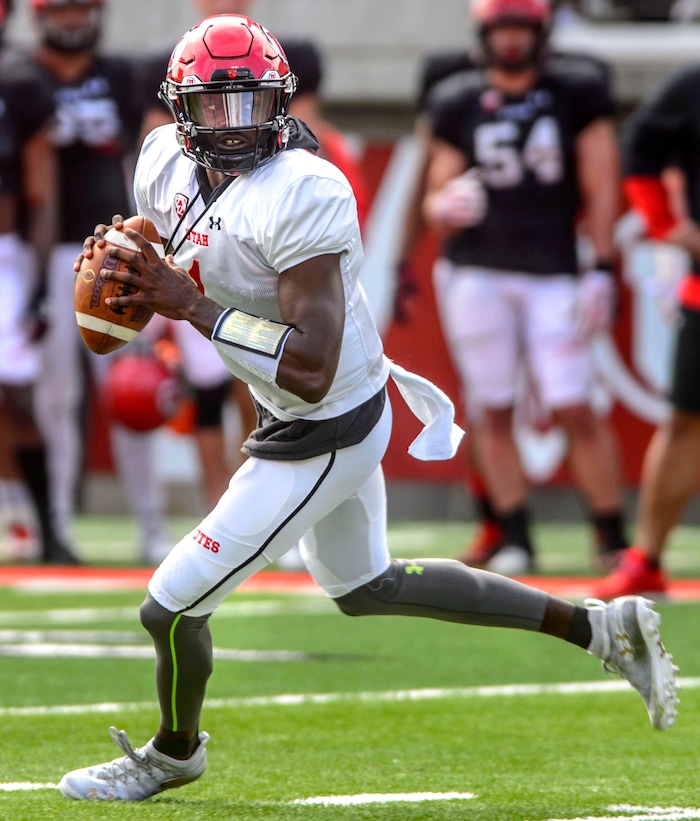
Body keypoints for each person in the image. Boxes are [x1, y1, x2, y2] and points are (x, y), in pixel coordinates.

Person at [55, 15, 679, 802]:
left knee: (170, 608)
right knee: (366, 586)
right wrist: (131, 263)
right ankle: (598, 626)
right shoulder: (161, 165)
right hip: (288, 407)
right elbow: (168, 241)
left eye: (252, 103)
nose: (235, 124)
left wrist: (192, 306)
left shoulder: (304, 189)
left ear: (280, 100)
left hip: (327, 423)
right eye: (216, 107)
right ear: (179, 112)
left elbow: (311, 367)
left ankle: (173, 752)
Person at [422, 0, 629, 575]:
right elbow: (433, 199)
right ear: (484, 33)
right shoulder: (455, 97)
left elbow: (602, 180)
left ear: (540, 32)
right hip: (477, 271)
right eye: (502, 28)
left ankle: (611, 534)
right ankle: (513, 531)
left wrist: (603, 265)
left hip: (553, 270)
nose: (511, 41)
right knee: (491, 407)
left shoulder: (577, 89)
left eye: (521, 28)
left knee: (573, 404)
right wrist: (444, 205)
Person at [29, 0, 171, 563]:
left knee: (131, 390)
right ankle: (54, 527)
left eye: (80, 7)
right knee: (53, 398)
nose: (72, 19)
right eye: (61, 9)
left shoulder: (120, 76)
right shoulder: (23, 77)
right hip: (43, 251)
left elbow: (149, 157)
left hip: (112, 249)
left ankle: (152, 529)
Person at [134, 0, 258, 509]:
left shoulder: (270, 57)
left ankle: (257, 495)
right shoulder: (162, 151)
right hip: (195, 255)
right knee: (208, 391)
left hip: (251, 255)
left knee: (259, 381)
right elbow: (155, 210)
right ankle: (220, 502)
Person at [592, 63, 700, 599]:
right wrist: (665, 226)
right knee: (686, 425)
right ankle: (648, 558)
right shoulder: (691, 87)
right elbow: (641, 151)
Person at [0, 0, 78, 564]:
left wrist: (41, 281)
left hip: (6, 256)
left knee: (16, 392)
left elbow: (41, 190)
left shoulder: (21, 82)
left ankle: (48, 531)